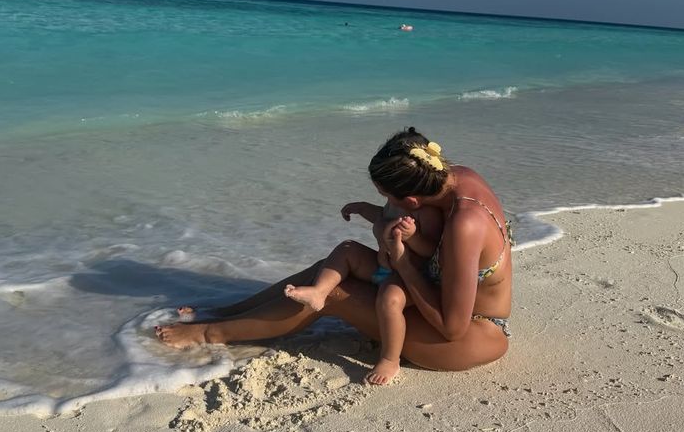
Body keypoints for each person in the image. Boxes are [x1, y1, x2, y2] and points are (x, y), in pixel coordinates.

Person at [156, 128, 513, 375]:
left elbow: (452, 326)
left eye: (388, 198)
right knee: (328, 270)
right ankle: (228, 313)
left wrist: (401, 259)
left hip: (469, 336)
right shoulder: (452, 175)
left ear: (413, 201)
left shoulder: (466, 223)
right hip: (437, 302)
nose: (385, 205)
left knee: (337, 295)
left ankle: (210, 334)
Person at [283, 191, 444, 384]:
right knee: (347, 248)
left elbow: (433, 250)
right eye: (384, 192)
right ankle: (319, 291)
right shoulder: (395, 200)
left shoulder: (427, 212)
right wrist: (362, 208)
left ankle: (390, 359)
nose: (386, 197)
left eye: (389, 192)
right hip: (382, 267)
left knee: (389, 300)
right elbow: (382, 215)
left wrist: (413, 237)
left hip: (408, 275)